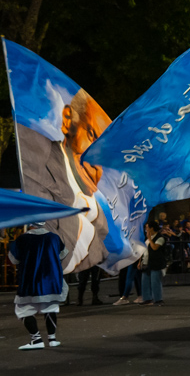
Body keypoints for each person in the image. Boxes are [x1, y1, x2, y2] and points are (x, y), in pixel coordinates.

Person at [16, 90, 110, 273]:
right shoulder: (39, 169)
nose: (98, 159)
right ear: (68, 120)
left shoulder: (102, 219)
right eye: (92, 135)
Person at [9, 221, 68, 350]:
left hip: (30, 279)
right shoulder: (54, 237)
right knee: (50, 307)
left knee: (24, 309)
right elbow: (62, 254)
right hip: (51, 278)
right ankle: (52, 339)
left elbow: (14, 259)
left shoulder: (22, 239)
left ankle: (36, 339)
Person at [139, 221, 168, 306]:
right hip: (146, 262)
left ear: (152, 228)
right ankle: (147, 298)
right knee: (145, 281)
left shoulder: (160, 238)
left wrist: (150, 239)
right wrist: (140, 261)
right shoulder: (147, 238)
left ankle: (158, 299)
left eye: (147, 227)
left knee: (155, 281)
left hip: (156, 262)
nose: (146, 229)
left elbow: (155, 247)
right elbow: (143, 250)